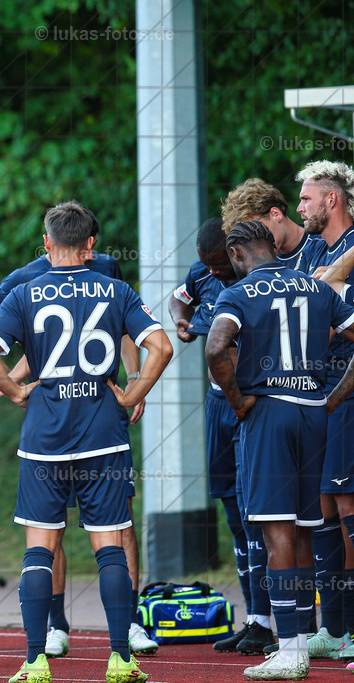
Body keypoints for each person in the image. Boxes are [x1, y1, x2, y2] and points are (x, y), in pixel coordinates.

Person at [0, 201, 172, 683]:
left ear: (46, 243)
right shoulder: (116, 288)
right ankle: (121, 657)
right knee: (109, 547)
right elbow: (162, 347)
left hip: (45, 437)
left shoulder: (25, 292)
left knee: (39, 549)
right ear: (91, 245)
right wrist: (131, 394)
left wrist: (16, 390)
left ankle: (34, 660)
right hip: (103, 434)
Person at [205, 219, 354, 680]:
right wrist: (333, 398)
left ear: (235, 252)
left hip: (268, 413)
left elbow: (215, 349)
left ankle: (289, 648)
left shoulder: (238, 293)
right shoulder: (316, 287)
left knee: (276, 532)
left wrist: (238, 401)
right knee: (307, 529)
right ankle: (301, 638)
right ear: (273, 245)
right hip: (312, 413)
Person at [169, 218, 279, 656]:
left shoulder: (256, 281)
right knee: (234, 512)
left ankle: (276, 620)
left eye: (217, 266)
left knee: (260, 514)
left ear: (234, 256)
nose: (212, 273)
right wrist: (182, 321)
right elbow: (179, 299)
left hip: (254, 404)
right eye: (206, 266)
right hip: (220, 404)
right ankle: (254, 617)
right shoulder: (204, 272)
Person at [291, 161, 354, 660]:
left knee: (348, 504)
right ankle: (332, 628)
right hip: (316, 392)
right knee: (324, 509)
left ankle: (350, 626)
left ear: (332, 199)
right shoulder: (313, 248)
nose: (300, 208)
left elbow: (329, 321)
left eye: (307, 199)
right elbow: (303, 303)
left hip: (347, 390)